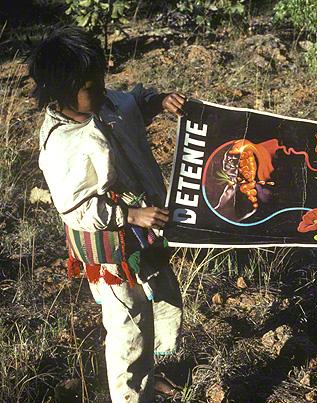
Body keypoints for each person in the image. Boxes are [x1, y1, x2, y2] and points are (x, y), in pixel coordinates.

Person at [29, 26, 187, 402]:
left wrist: (158, 101)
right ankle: (131, 394)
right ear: (63, 92)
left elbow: (134, 103)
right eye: (90, 87)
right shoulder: (64, 144)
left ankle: (153, 370)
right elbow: (77, 208)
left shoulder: (107, 103)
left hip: (146, 233)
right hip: (113, 253)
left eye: (100, 82)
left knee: (164, 301)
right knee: (128, 328)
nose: (101, 91)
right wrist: (130, 215)